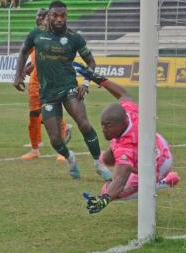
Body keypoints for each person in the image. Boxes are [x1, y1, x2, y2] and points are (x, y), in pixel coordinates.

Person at [13, 0, 112, 181]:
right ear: (48, 16)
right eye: (55, 15)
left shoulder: (74, 38)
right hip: (48, 93)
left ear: (66, 16)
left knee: (84, 124)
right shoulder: (37, 34)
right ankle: (69, 157)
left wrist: (86, 83)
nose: (59, 19)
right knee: (55, 139)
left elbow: (91, 62)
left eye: (63, 15)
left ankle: (98, 163)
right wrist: (17, 74)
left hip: (69, 88)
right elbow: (23, 52)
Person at [73, 65, 180, 213]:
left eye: (107, 126)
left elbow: (120, 180)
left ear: (121, 123)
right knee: (107, 159)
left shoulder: (126, 147)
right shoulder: (129, 110)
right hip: (158, 142)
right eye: (103, 125)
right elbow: (123, 94)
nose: (103, 130)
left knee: (111, 190)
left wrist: (104, 199)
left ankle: (165, 181)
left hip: (159, 163)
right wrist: (98, 79)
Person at [21, 9, 72, 161]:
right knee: (34, 115)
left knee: (54, 114)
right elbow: (29, 55)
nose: (38, 20)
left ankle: (63, 150)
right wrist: (24, 70)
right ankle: (35, 149)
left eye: (41, 17)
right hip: (35, 83)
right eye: (37, 17)